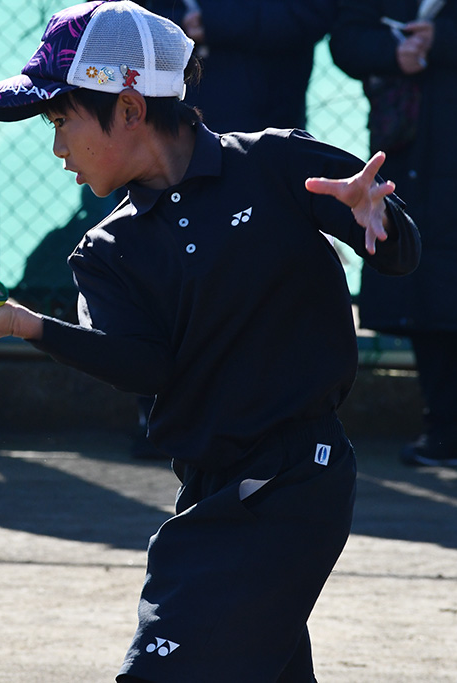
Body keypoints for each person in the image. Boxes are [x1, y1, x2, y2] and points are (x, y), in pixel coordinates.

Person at [0, 1, 420, 679]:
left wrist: (383, 222)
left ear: (131, 108)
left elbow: (398, 252)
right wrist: (24, 324)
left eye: (62, 121)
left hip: (296, 477)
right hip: (208, 490)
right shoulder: (107, 250)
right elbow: (144, 364)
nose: (57, 150)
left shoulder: (274, 163)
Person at [329, 0, 457, 473]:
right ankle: (445, 429)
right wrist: (392, 51)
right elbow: (347, 35)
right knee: (420, 278)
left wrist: (441, 41)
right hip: (410, 144)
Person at [127, 0, 335, 459]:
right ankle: (162, 411)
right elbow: (111, 18)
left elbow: (314, 14)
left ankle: (260, 415)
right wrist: (165, 32)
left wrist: (220, 24)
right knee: (164, 265)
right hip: (162, 120)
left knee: (254, 276)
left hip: (260, 116)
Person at [144, 0, 335, 133]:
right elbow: (129, 14)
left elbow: (310, 13)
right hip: (177, 110)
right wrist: (177, 24)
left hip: (269, 111)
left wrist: (214, 20)